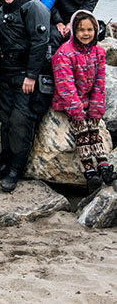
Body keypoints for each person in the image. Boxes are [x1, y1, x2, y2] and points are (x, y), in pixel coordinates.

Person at [0, 0, 52, 192]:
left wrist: (31, 76)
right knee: (5, 120)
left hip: (27, 74)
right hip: (6, 73)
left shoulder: (34, 7)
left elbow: (40, 44)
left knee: (20, 122)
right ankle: (4, 164)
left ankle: (16, 169)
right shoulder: (0, 12)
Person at [52, 10, 114, 191]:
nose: (85, 34)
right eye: (80, 30)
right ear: (74, 31)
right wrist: (77, 110)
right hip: (71, 101)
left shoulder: (99, 52)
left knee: (94, 128)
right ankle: (89, 171)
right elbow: (66, 86)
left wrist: (96, 107)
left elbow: (99, 83)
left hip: (88, 98)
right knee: (82, 131)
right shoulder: (65, 53)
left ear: (95, 30)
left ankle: (104, 165)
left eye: (89, 30)